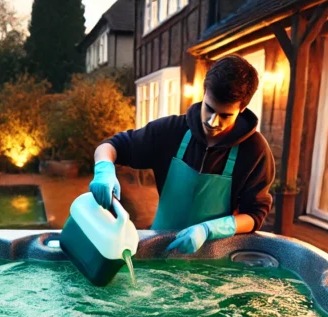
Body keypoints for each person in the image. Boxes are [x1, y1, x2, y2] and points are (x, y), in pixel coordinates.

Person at [90, 55, 274, 254]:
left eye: (225, 115)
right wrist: (104, 169)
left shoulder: (255, 151)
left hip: (212, 257)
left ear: (242, 108)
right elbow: (111, 146)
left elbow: (254, 215)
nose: (212, 122)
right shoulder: (172, 131)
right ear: (204, 94)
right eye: (209, 109)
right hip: (159, 248)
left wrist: (208, 229)